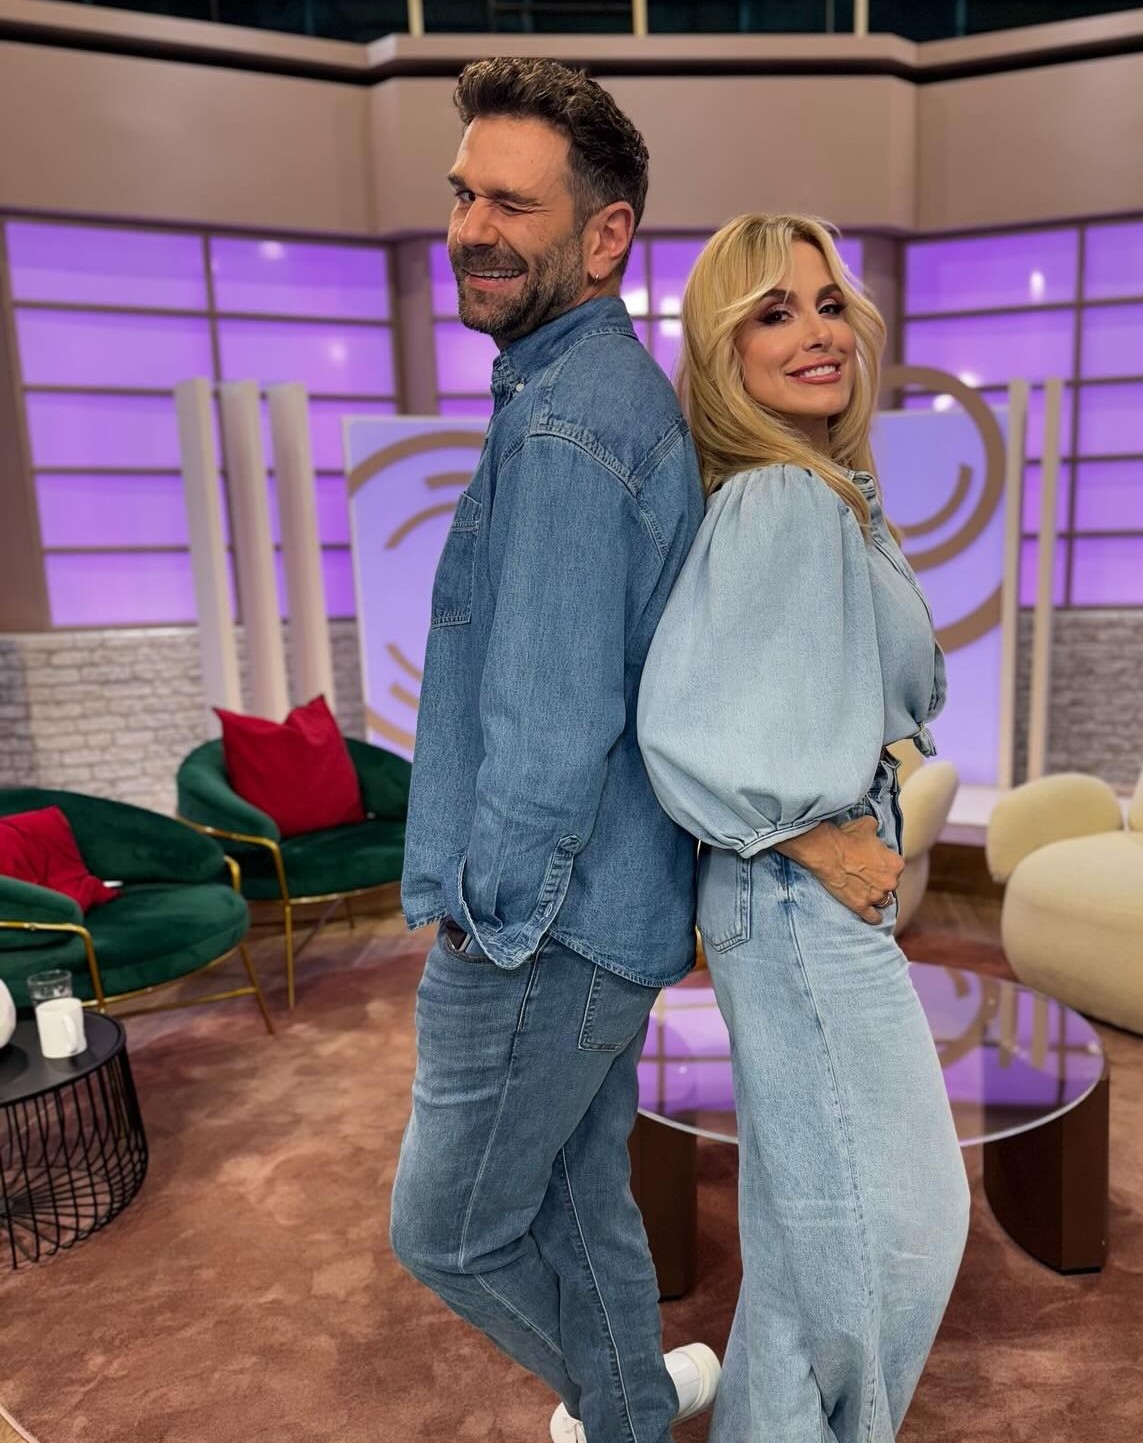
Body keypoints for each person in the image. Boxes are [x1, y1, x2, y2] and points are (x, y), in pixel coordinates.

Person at [389, 57, 719, 1443]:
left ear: (605, 234)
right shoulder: (572, 393)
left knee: (445, 1232)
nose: (472, 227)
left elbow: (549, 720)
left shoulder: (574, 424)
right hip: (605, 917)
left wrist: (484, 923)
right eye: (464, 193)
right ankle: (639, 1404)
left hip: (544, 931)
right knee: (584, 1202)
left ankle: (625, 1413)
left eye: (512, 203)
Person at [637, 214, 970, 1443]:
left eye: (829, 304)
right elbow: (679, 724)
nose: (817, 333)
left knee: (805, 1238)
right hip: (794, 897)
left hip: (797, 896)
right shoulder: (782, 497)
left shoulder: (817, 489)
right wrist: (812, 838)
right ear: (724, 349)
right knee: (902, 1229)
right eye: (773, 313)